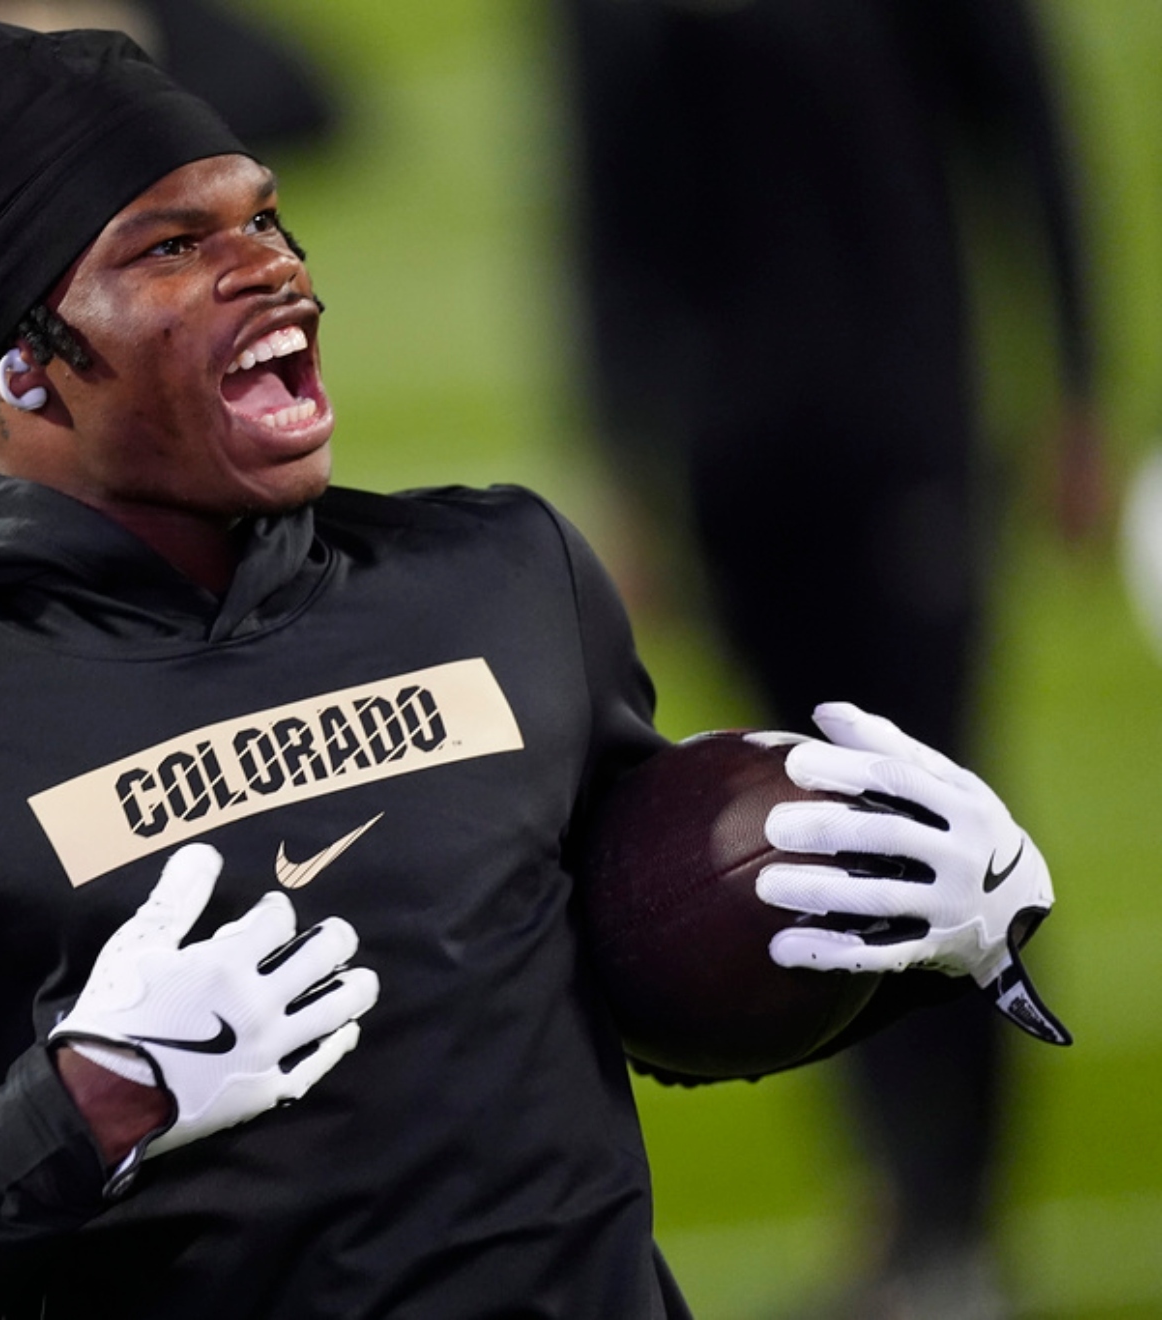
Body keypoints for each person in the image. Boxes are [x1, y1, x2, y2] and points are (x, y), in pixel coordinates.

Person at [0, 20, 1068, 1318]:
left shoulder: (507, 581)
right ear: (25, 368)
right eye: (170, 246)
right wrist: (83, 1107)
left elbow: (634, 979)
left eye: (263, 216)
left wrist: (900, 916)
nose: (270, 264)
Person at [554, 1, 1102, 1311]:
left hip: (905, 432)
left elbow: (1028, 134)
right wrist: (631, 470)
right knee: (801, 838)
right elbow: (606, 197)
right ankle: (907, 1201)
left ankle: (955, 1224)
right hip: (732, 464)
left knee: (932, 819)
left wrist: (1076, 384)